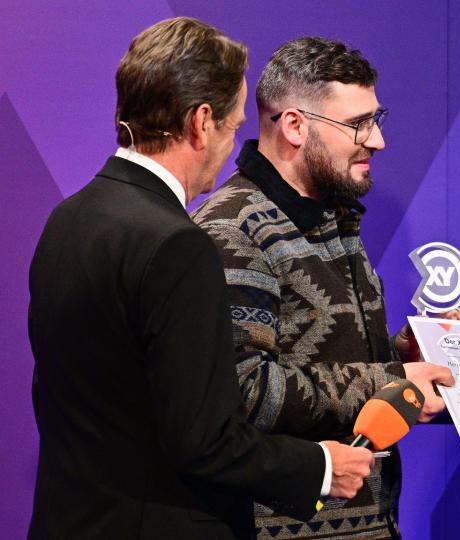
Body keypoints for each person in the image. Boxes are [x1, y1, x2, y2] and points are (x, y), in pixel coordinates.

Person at [28, 18, 379, 540]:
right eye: (235, 127)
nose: (233, 146)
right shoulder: (178, 244)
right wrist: (321, 468)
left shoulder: (69, 217)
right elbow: (205, 439)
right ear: (200, 122)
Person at [192, 37, 459, 539]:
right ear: (295, 125)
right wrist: (391, 380)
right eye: (358, 124)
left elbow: (324, 355)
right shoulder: (232, 230)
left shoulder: (333, 217)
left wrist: (401, 351)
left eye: (376, 119)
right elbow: (244, 391)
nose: (377, 140)